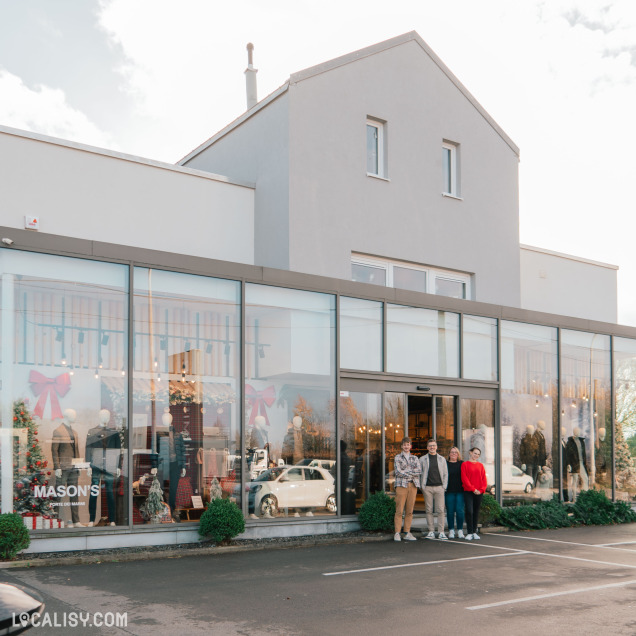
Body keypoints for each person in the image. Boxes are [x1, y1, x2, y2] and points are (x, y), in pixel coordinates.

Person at [393, 437, 422, 542]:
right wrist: (411, 472)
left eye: (408, 444)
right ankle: (397, 532)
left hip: (413, 486)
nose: (406, 446)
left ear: (410, 446)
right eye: (404, 444)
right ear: (402, 446)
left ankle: (407, 532)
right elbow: (398, 472)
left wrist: (406, 471)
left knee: (409, 511)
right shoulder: (397, 457)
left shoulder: (415, 458)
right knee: (399, 510)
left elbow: (419, 471)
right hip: (401, 486)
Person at [420, 439, 448, 539]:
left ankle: (441, 532)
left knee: (440, 510)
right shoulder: (422, 459)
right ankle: (431, 531)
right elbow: (420, 473)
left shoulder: (442, 459)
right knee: (429, 510)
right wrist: (422, 486)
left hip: (439, 487)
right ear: (427, 447)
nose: (432, 447)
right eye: (430, 446)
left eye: (434, 445)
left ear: (436, 447)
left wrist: (444, 486)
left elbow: (445, 474)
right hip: (427, 488)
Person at [461, 447, 487, 540]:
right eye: (475, 453)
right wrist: (473, 489)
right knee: (469, 511)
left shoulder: (480, 465)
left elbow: (484, 479)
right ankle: (469, 532)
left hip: (479, 492)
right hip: (468, 491)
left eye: (478, 454)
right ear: (470, 453)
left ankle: (474, 532)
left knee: (476, 512)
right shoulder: (465, 464)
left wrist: (481, 490)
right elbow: (464, 479)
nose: (476, 455)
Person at [445, 446, 465, 539]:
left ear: (458, 454)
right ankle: (451, 530)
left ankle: (460, 530)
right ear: (449, 454)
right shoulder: (445, 464)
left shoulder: (462, 463)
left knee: (460, 511)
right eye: (452, 452)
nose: (453, 454)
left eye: (455, 452)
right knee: (450, 512)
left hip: (460, 491)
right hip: (449, 491)